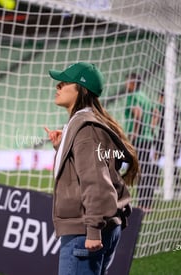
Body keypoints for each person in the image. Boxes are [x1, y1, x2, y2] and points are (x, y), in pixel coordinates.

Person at [45, 62, 139, 275]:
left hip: (85, 230)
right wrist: (62, 147)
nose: (58, 86)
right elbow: (91, 168)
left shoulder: (86, 129)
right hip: (93, 227)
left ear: (81, 88)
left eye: (65, 82)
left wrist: (93, 230)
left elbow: (96, 183)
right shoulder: (85, 123)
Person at [124, 73, 157, 212]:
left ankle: (142, 205)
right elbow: (156, 113)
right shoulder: (145, 97)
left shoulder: (133, 97)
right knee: (147, 169)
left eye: (127, 82)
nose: (126, 84)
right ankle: (147, 204)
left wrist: (135, 134)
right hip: (148, 138)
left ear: (133, 83)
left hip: (139, 139)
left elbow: (137, 115)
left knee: (140, 170)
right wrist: (150, 128)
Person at [154, 88, 181, 198]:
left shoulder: (160, 108)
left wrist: (152, 132)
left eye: (160, 96)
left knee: (157, 160)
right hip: (175, 137)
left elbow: (154, 121)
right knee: (173, 163)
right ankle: (178, 190)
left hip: (163, 137)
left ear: (162, 97)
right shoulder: (175, 108)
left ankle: (157, 187)